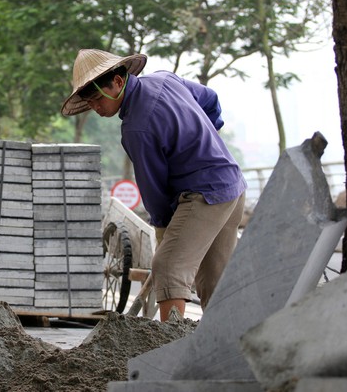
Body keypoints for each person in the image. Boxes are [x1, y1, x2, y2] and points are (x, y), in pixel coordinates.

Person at [61, 49, 247, 321]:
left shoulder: (137, 127)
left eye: (98, 98)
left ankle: (169, 344)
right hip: (232, 186)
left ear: (118, 81)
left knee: (168, 265)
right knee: (215, 282)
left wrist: (162, 229)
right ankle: (228, 348)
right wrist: (204, 137)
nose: (96, 107)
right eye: (90, 102)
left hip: (204, 196)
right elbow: (211, 100)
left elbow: (154, 189)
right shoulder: (164, 79)